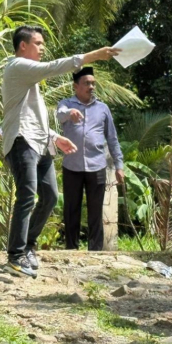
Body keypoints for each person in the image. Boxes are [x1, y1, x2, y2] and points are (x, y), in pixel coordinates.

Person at [2, 25, 120, 278]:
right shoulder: (17, 67)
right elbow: (52, 68)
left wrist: (55, 137)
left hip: (41, 143)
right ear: (23, 45)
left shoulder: (28, 79)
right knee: (26, 196)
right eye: (38, 43)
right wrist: (92, 56)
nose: (42, 48)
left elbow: (33, 117)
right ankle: (15, 255)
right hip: (22, 142)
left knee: (51, 197)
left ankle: (29, 245)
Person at [56, 67, 124, 251]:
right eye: (87, 83)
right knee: (71, 210)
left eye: (93, 83)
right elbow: (59, 114)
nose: (91, 86)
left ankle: (95, 252)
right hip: (72, 166)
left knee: (95, 212)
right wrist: (70, 113)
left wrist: (119, 165)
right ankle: (71, 250)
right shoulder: (66, 104)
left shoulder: (103, 109)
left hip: (97, 166)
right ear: (76, 86)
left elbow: (112, 138)